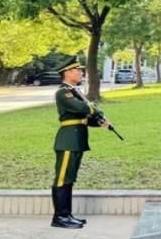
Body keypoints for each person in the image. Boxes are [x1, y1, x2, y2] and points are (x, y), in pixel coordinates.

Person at [51, 57, 112, 229]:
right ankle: (60, 217)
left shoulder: (75, 91)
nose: (81, 73)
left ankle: (67, 214)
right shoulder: (63, 92)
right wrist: (96, 110)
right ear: (68, 73)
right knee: (62, 178)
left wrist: (99, 122)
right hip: (67, 140)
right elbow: (83, 109)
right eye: (77, 70)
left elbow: (82, 118)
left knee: (69, 178)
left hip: (76, 140)